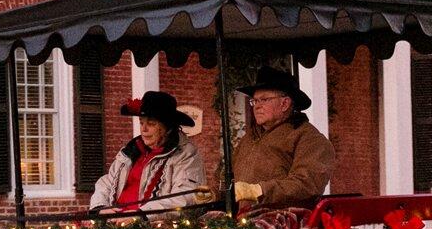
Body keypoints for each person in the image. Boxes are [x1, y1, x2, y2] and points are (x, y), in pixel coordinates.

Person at [230, 65, 335, 210]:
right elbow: (234, 183)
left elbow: (306, 184)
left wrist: (260, 190)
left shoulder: (310, 139)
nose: (256, 106)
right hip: (245, 222)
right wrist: (215, 193)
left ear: (285, 103)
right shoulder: (248, 139)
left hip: (286, 224)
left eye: (264, 100)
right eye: (254, 101)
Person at [90, 91, 206, 214]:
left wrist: (141, 215)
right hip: (115, 224)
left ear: (168, 127)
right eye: (141, 122)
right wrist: (100, 208)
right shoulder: (129, 152)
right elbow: (107, 182)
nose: (144, 129)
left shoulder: (185, 154)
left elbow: (186, 197)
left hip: (153, 227)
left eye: (151, 123)